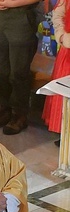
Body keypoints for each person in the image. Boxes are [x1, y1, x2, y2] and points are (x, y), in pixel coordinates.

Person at [0, 0, 39, 135]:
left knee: (19, 71)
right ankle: (4, 110)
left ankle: (20, 115)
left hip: (21, 15)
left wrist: (10, 3)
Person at [43, 0, 70, 138]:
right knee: (64, 94)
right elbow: (58, 15)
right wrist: (62, 36)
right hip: (68, 52)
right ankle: (65, 132)